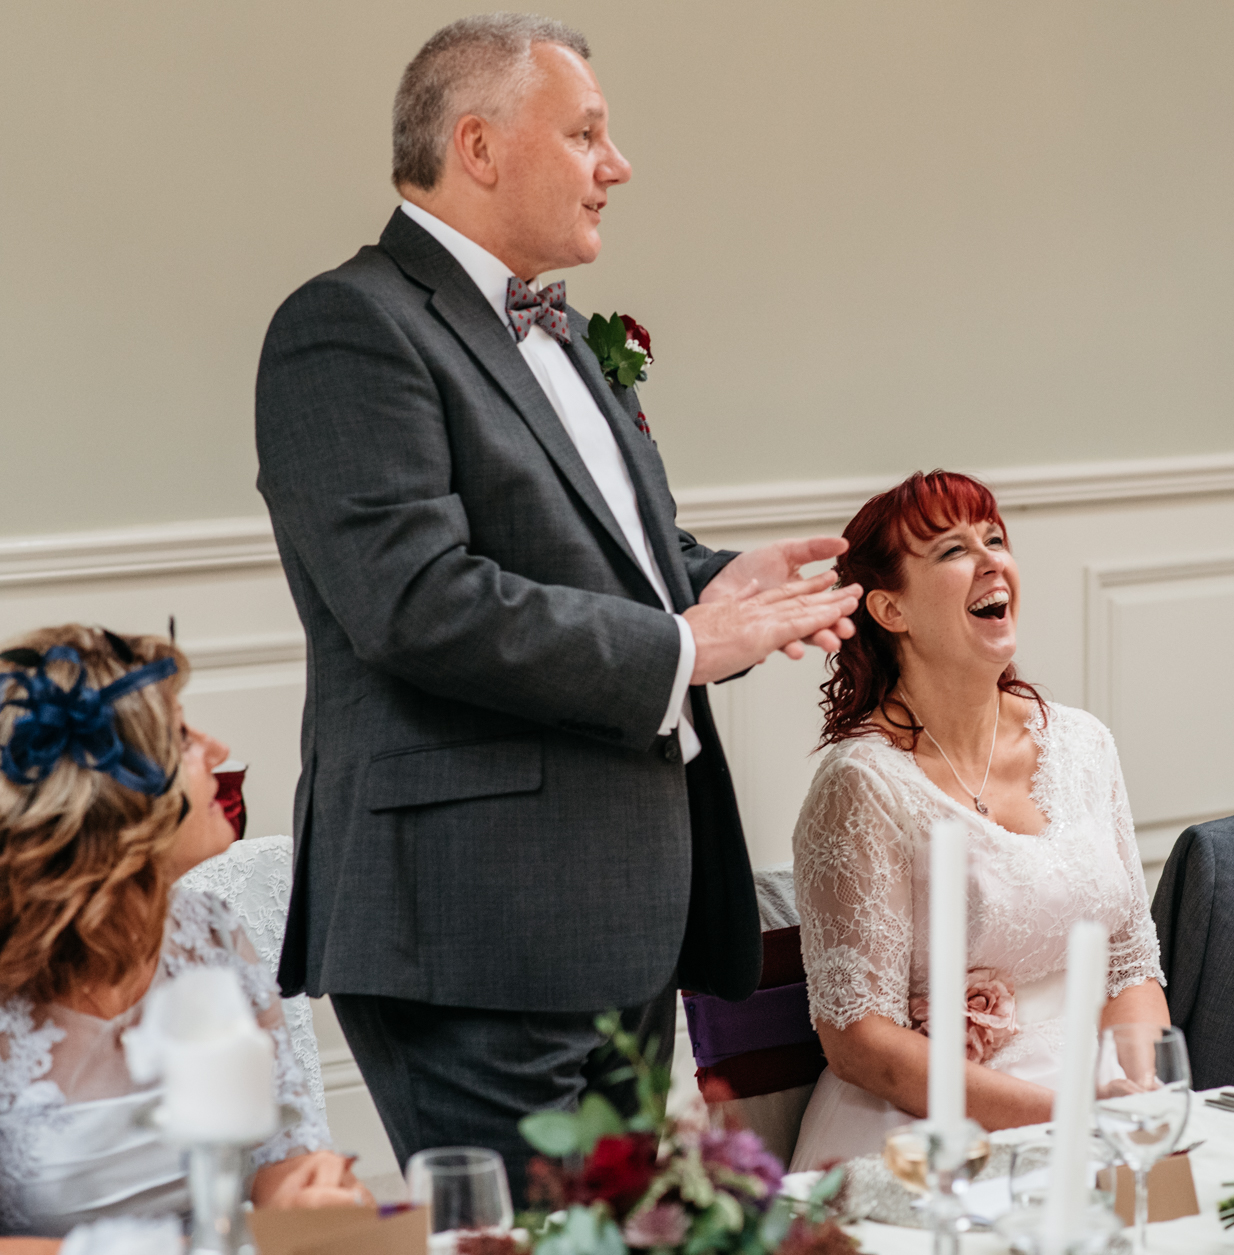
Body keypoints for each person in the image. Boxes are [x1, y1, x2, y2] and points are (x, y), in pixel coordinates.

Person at [253, 14, 859, 1193]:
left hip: (622, 912)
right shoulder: (348, 327)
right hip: (473, 924)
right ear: (477, 147)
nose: (616, 164)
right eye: (585, 133)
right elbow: (415, 599)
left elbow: (615, 562)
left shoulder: (564, 328)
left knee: (624, 1231)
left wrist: (718, 585)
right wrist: (683, 642)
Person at [789, 471, 1167, 1171]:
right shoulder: (862, 783)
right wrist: (1068, 1118)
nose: (992, 560)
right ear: (890, 609)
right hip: (933, 1127)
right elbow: (860, 1044)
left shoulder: (1083, 743)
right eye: (953, 550)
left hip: (1104, 1100)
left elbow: (1130, 966)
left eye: (995, 538)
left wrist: (1138, 1091)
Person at [0, 626, 365, 1248]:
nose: (219, 748)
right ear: (112, 790)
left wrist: (309, 1195)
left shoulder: (210, 935)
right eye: (184, 736)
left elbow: (283, 1160)